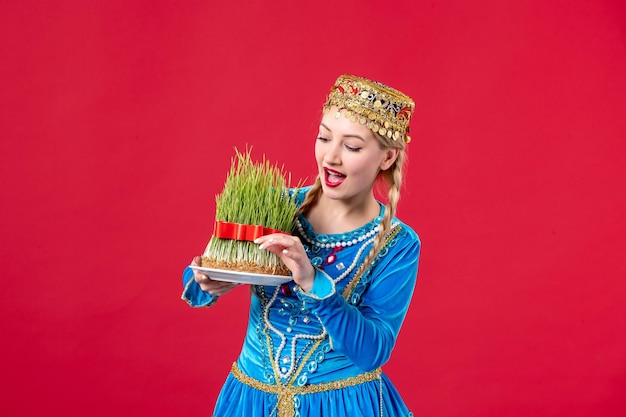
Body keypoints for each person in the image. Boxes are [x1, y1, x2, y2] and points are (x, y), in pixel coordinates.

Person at [182, 74, 421, 417]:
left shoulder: (398, 244)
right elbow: (196, 282)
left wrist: (313, 281)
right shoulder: (277, 207)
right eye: (324, 137)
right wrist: (208, 279)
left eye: (352, 147)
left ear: (387, 158)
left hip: (343, 406)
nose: (331, 157)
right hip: (252, 402)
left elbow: (372, 351)